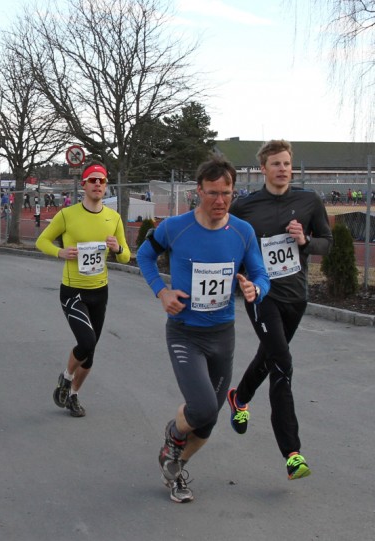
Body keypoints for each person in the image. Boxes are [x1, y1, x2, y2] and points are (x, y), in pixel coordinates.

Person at [136, 156, 270, 503]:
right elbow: (144, 256)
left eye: (227, 192)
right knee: (202, 409)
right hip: (185, 332)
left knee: (208, 423)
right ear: (198, 191)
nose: (220, 200)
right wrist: (161, 291)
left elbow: (260, 274)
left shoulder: (242, 231)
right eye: (213, 193)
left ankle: (175, 466)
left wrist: (256, 289)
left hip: (222, 335)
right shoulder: (175, 227)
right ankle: (172, 435)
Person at [226, 139, 333, 481]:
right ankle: (292, 454)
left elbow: (327, 243)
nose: (283, 169)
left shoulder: (309, 201)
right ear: (263, 169)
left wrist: (305, 241)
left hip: (295, 297)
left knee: (272, 354)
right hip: (261, 295)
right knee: (282, 364)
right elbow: (227, 240)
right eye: (276, 164)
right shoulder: (245, 207)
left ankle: (239, 397)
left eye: (287, 163)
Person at [35, 162, 130, 418]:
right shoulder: (68, 215)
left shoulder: (114, 218)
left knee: (89, 353)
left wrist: (118, 249)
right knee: (86, 341)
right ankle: (66, 378)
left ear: (106, 185)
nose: (97, 184)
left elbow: (125, 256)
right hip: (73, 291)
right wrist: (60, 252)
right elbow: (41, 240)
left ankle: (74, 395)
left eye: (102, 181)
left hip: (100, 291)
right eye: (93, 180)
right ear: (84, 185)